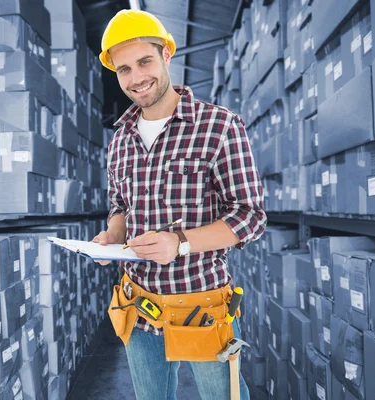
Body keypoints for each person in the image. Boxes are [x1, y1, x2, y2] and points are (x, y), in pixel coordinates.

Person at [92, 9, 266, 400]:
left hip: (201, 305)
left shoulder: (219, 126)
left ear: (166, 54)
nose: (136, 78)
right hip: (138, 307)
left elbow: (250, 217)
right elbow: (120, 205)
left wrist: (180, 242)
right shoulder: (120, 139)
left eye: (144, 62)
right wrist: (112, 237)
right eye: (123, 70)